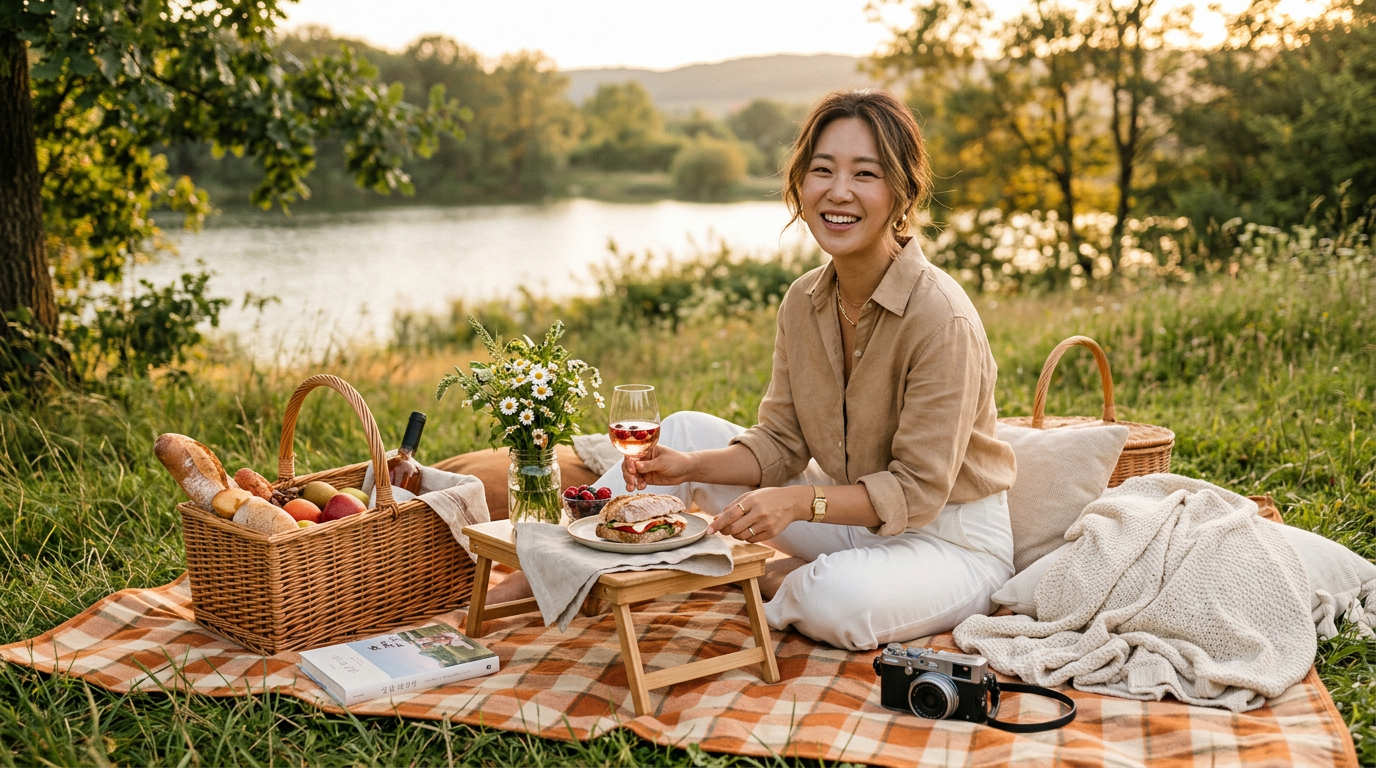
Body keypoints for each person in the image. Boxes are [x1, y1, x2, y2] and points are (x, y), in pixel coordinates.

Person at [594, 89, 1018, 651]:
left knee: (837, 600)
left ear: (902, 192)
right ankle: (566, 568)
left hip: (947, 544)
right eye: (823, 169)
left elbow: (915, 492)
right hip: (847, 518)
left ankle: (759, 578)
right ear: (801, 183)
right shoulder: (803, 302)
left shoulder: (941, 318)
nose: (838, 192)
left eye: (865, 173)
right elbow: (781, 442)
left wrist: (797, 503)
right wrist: (688, 467)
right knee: (681, 432)